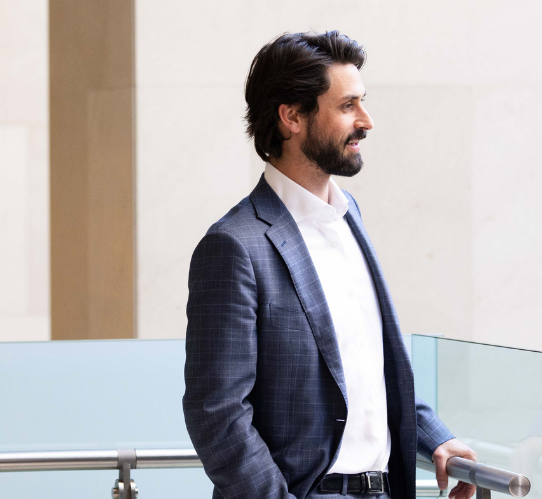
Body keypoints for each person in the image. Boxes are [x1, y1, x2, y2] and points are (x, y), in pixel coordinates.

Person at [182, 31, 476, 499]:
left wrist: (435, 436)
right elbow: (216, 412)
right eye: (347, 106)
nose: (367, 121)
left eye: (363, 102)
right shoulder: (234, 246)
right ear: (292, 117)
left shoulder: (349, 215)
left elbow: (370, 370)